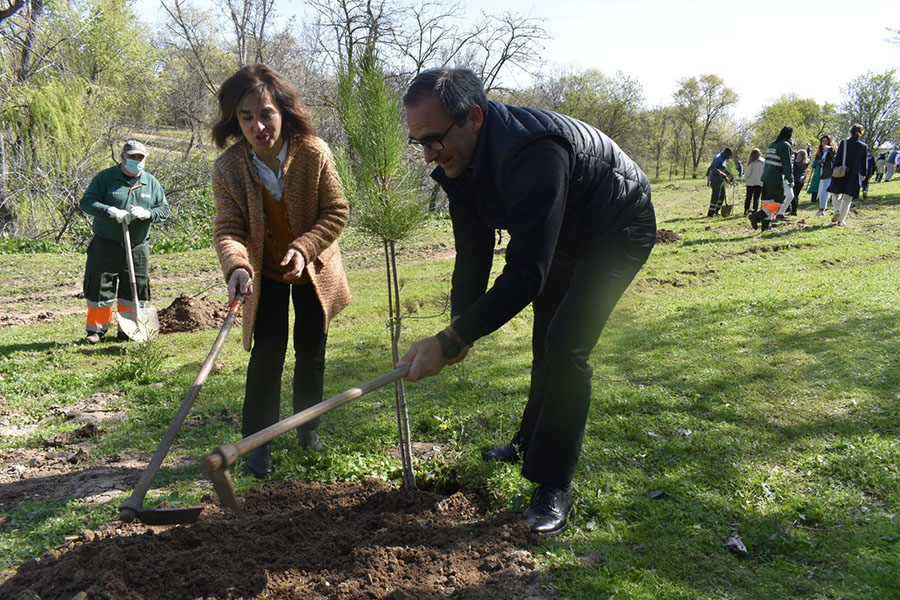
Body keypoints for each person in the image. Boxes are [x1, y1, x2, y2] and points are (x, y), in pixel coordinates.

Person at [398, 68, 656, 536]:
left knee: (566, 347)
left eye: (433, 139)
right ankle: (526, 442)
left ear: (473, 117)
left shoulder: (536, 152)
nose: (428, 154)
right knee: (545, 341)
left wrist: (452, 339)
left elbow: (526, 274)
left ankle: (553, 484)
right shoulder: (459, 162)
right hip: (566, 233)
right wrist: (460, 326)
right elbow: (473, 249)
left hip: (618, 226)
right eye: (420, 143)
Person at [211, 64, 352, 478]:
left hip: (314, 271)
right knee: (268, 353)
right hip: (263, 275)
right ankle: (258, 443)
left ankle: (308, 428)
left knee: (311, 350)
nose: (259, 126)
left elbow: (336, 211)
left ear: (283, 112)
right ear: (235, 121)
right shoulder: (229, 168)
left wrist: (304, 249)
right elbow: (228, 229)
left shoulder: (313, 152)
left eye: (266, 113)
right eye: (247, 117)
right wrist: (237, 265)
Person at [79, 140, 169, 344]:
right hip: (106, 244)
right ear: (123, 157)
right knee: (100, 287)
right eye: (132, 157)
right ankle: (96, 331)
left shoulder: (151, 182)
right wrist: (109, 211)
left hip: (138, 246)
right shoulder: (105, 178)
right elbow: (87, 202)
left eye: (140, 158)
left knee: (136, 288)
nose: (136, 161)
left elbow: (163, 210)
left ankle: (129, 329)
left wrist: (148, 213)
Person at [749, 126, 793, 231]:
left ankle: (765, 227)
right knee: (779, 201)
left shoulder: (773, 144)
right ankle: (756, 217)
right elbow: (787, 164)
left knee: (767, 202)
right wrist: (790, 179)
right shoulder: (785, 145)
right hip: (776, 177)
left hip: (766, 176)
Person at [827, 123, 868, 226]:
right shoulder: (863, 146)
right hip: (854, 174)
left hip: (841, 172)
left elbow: (838, 158)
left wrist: (834, 169)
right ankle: (841, 220)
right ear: (861, 133)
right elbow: (864, 161)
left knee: (834, 192)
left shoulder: (844, 143)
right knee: (847, 198)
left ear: (851, 132)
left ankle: (837, 210)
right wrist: (864, 173)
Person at [705, 148, 733, 217]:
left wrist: (730, 176)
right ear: (726, 153)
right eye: (729, 155)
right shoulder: (718, 158)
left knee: (722, 195)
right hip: (715, 179)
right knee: (715, 196)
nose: (729, 157)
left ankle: (716, 211)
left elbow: (723, 169)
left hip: (721, 180)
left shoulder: (723, 159)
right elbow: (712, 167)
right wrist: (722, 174)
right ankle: (710, 213)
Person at [814, 135, 838, 217]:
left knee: (825, 192)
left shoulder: (831, 151)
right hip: (822, 174)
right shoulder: (821, 152)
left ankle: (823, 210)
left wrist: (830, 148)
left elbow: (834, 153)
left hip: (829, 174)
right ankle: (823, 209)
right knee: (821, 192)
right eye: (823, 141)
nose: (824, 143)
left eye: (826, 141)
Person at [742, 148, 765, 215]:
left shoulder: (752, 163)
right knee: (756, 198)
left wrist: (744, 177)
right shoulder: (764, 162)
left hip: (751, 182)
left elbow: (748, 174)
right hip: (760, 182)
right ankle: (755, 210)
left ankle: (746, 210)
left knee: (748, 197)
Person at [790, 149, 809, 215]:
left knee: (793, 195)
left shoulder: (796, 163)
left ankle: (793, 210)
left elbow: (793, 171)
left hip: (795, 180)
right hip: (802, 180)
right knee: (796, 195)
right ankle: (795, 209)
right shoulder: (805, 163)